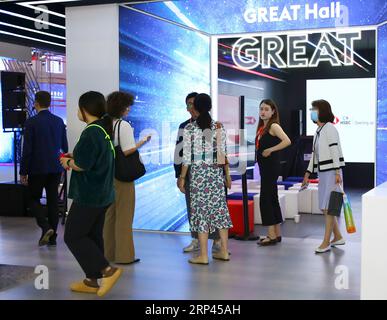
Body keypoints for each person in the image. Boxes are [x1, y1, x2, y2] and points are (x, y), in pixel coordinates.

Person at [60, 91, 122, 297]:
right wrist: (75, 157)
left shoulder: (91, 132)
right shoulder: (102, 131)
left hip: (89, 195)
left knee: (73, 235)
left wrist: (68, 162)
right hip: (103, 194)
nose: (77, 112)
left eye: (79, 108)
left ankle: (107, 270)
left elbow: (82, 165)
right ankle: (91, 280)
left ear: (85, 110)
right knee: (93, 236)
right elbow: (94, 158)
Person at [178, 93, 232, 265]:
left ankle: (202, 255)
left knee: (200, 213)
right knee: (220, 212)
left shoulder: (190, 129)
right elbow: (223, 154)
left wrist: (182, 177)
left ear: (196, 107)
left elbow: (187, 158)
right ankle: (223, 251)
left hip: (198, 177)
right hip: (215, 176)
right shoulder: (218, 126)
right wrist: (227, 175)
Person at [103, 91, 151, 264]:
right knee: (124, 216)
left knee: (110, 216)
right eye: (128, 106)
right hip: (123, 177)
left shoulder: (105, 123)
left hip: (109, 174)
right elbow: (127, 150)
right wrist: (141, 143)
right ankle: (124, 255)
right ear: (122, 107)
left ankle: (108, 253)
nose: (129, 109)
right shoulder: (123, 125)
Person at [20, 91, 68, 247]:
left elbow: (27, 150)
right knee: (53, 201)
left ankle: (45, 226)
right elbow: (65, 146)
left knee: (32, 199)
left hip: (37, 168)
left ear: (36, 103)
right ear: (49, 103)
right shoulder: (59, 121)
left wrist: (23, 171)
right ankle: (52, 238)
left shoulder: (31, 122)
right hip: (55, 167)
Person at [302, 99, 345, 254]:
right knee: (326, 207)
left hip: (332, 172)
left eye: (314, 109)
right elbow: (315, 156)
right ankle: (338, 236)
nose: (312, 112)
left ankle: (326, 242)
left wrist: (337, 172)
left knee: (329, 207)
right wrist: (307, 173)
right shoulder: (318, 131)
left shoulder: (329, 129)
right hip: (324, 172)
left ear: (323, 111)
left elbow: (335, 151)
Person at [255, 99, 291, 246]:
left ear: (273, 111)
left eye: (266, 109)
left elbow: (287, 141)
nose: (263, 112)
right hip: (266, 167)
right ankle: (276, 233)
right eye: (261, 109)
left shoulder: (274, 126)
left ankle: (270, 235)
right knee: (272, 197)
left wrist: (271, 150)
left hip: (270, 167)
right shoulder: (262, 127)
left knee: (266, 199)